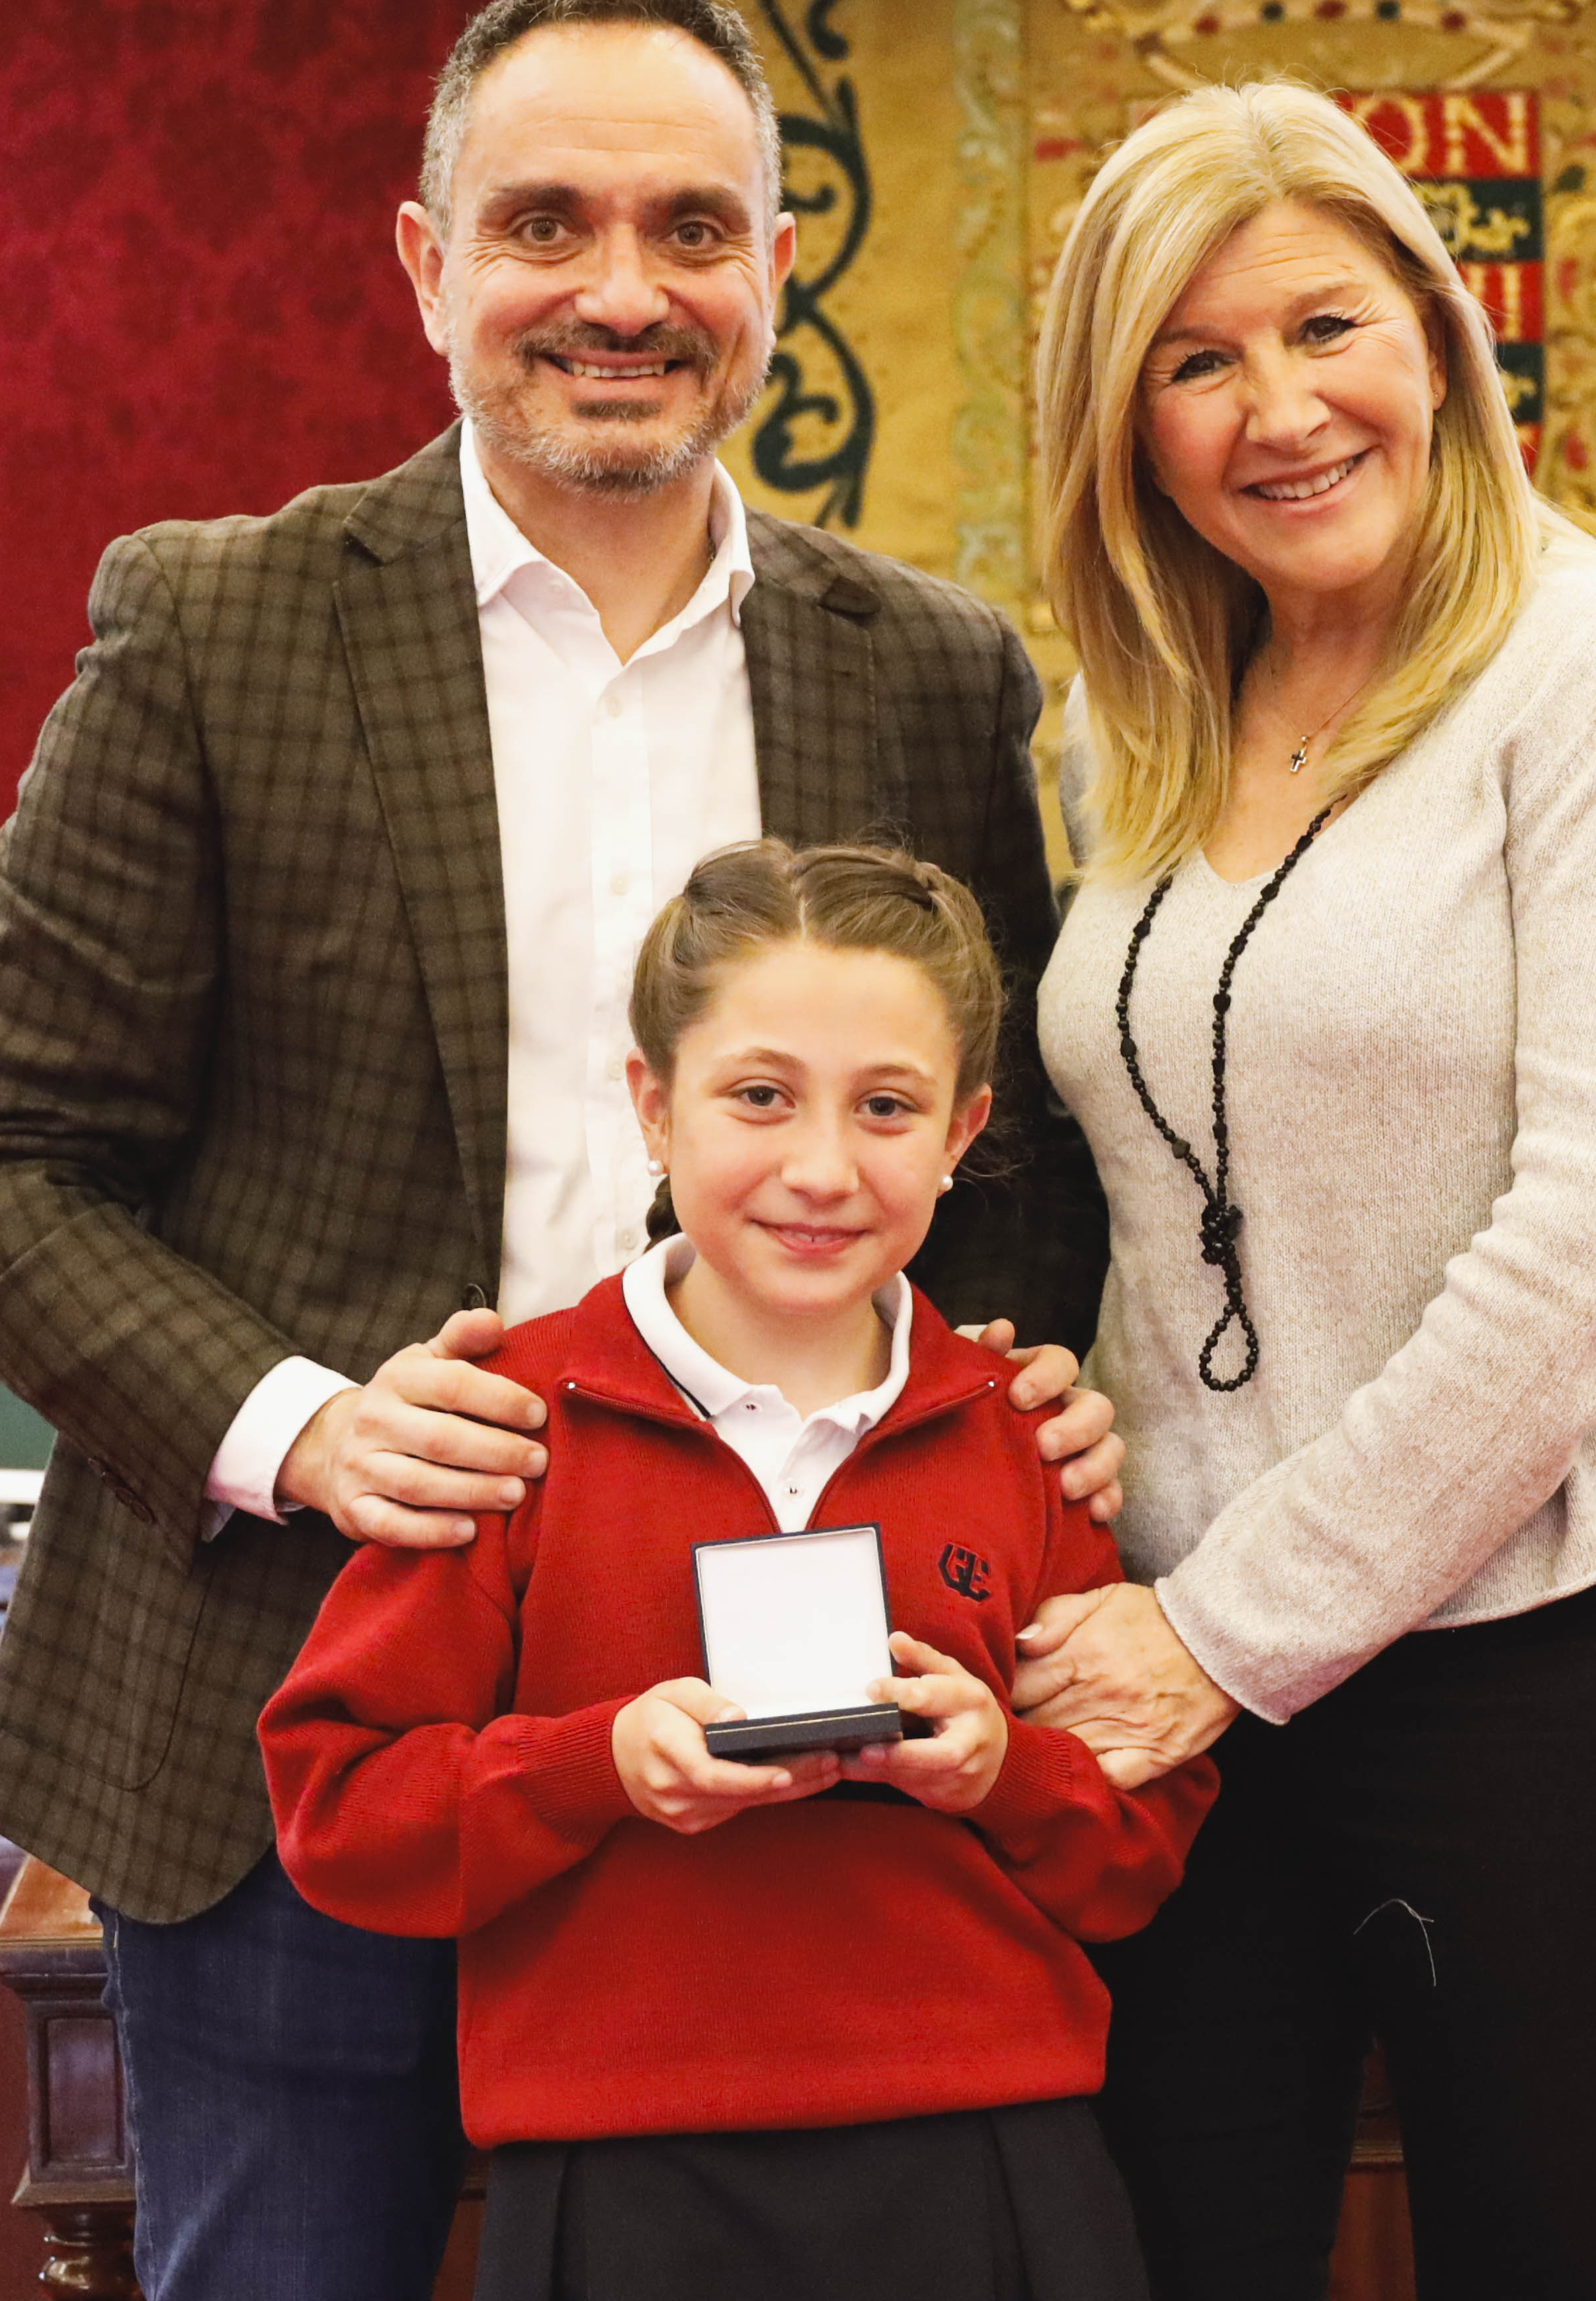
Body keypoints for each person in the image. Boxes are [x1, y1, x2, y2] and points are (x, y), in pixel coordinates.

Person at [0, 0, 1115, 2301]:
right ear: (427, 262)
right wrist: (311, 1429)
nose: (621, 292)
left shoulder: (926, 667)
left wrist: (1021, 1377)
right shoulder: (217, 625)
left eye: (690, 228)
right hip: (298, 1705)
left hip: (810, 1746)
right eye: (546, 222)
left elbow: (1014, 1160)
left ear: (777, 267)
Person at [1008, 84, 1596, 2300]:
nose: (1280, 409)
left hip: (1538, 1662)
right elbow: (1153, 1183)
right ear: (1127, 425)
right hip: (1177, 1665)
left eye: (1326, 326)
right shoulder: (1139, 711)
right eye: (1197, 358)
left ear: (1438, 334)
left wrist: (1227, 1634)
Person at [264, 841, 1211, 2301]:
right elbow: (341, 1813)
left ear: (962, 1130)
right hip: (618, 2177)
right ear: (653, 1104)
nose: (821, 1169)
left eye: (886, 1106)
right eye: (759, 1095)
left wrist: (999, 1770)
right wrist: (597, 1764)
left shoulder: (1027, 1436)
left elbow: (1142, 1848)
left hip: (988, 2159)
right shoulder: (506, 1427)